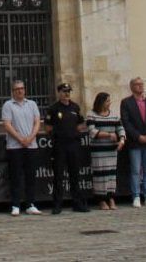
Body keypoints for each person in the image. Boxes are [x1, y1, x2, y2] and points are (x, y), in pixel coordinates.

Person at [46, 82, 90, 214]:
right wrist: (59, 133)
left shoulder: (75, 107)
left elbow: (81, 123)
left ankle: (77, 203)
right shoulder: (53, 108)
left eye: (68, 92)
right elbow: (48, 127)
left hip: (74, 145)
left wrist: (74, 130)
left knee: (75, 175)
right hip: (60, 145)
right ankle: (57, 204)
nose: (66, 94)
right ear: (59, 93)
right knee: (59, 176)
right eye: (64, 92)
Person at [1, 80, 42, 216]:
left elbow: (37, 122)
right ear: (13, 91)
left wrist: (30, 137)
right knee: (15, 176)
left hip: (31, 145)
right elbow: (7, 125)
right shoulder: (8, 105)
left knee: (30, 176)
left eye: (22, 88)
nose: (20, 91)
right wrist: (20, 139)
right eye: (17, 89)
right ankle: (15, 204)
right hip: (15, 146)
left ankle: (30, 204)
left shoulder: (32, 104)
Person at [120, 76, 146, 207]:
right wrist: (138, 136)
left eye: (141, 84)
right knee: (136, 170)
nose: (140, 86)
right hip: (135, 142)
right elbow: (126, 122)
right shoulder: (126, 102)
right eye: (137, 84)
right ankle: (136, 195)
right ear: (131, 87)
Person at [85, 92, 126, 210]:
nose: (109, 103)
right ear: (101, 102)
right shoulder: (91, 115)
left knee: (111, 175)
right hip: (98, 151)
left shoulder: (114, 115)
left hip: (111, 151)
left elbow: (120, 128)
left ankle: (111, 197)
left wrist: (122, 139)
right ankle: (101, 199)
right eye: (107, 101)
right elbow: (92, 131)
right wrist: (108, 135)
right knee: (100, 175)